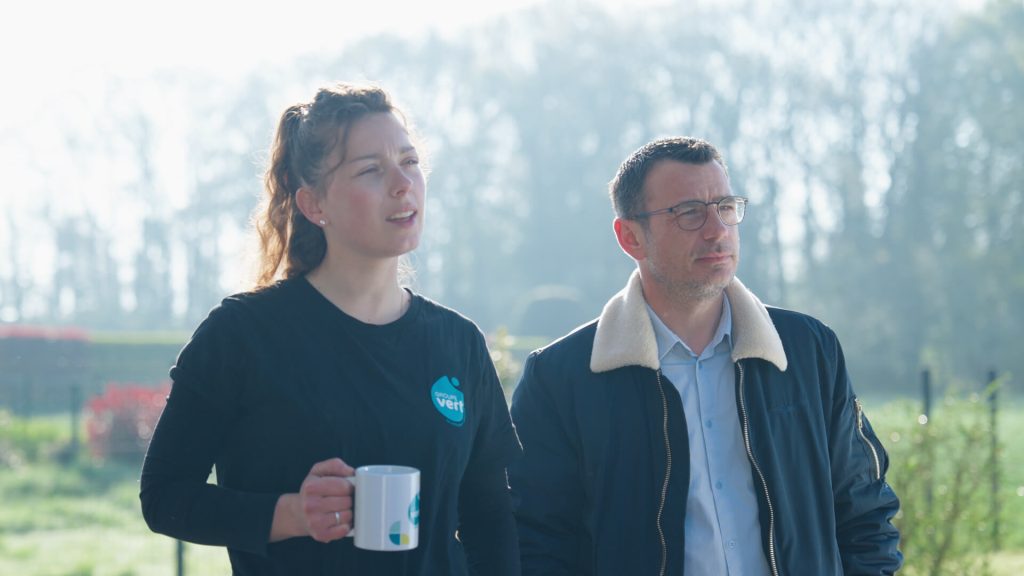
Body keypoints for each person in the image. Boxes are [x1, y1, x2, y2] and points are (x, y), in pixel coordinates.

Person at [140, 83, 521, 575]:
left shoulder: (459, 342)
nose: (403, 183)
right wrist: (291, 514)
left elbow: (490, 517)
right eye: (371, 169)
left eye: (410, 161)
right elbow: (165, 497)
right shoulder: (241, 336)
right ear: (313, 204)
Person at [508, 137, 903, 575]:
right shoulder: (561, 379)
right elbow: (534, 545)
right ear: (630, 236)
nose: (717, 230)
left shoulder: (808, 351)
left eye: (726, 207)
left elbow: (865, 513)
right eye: (690, 212)